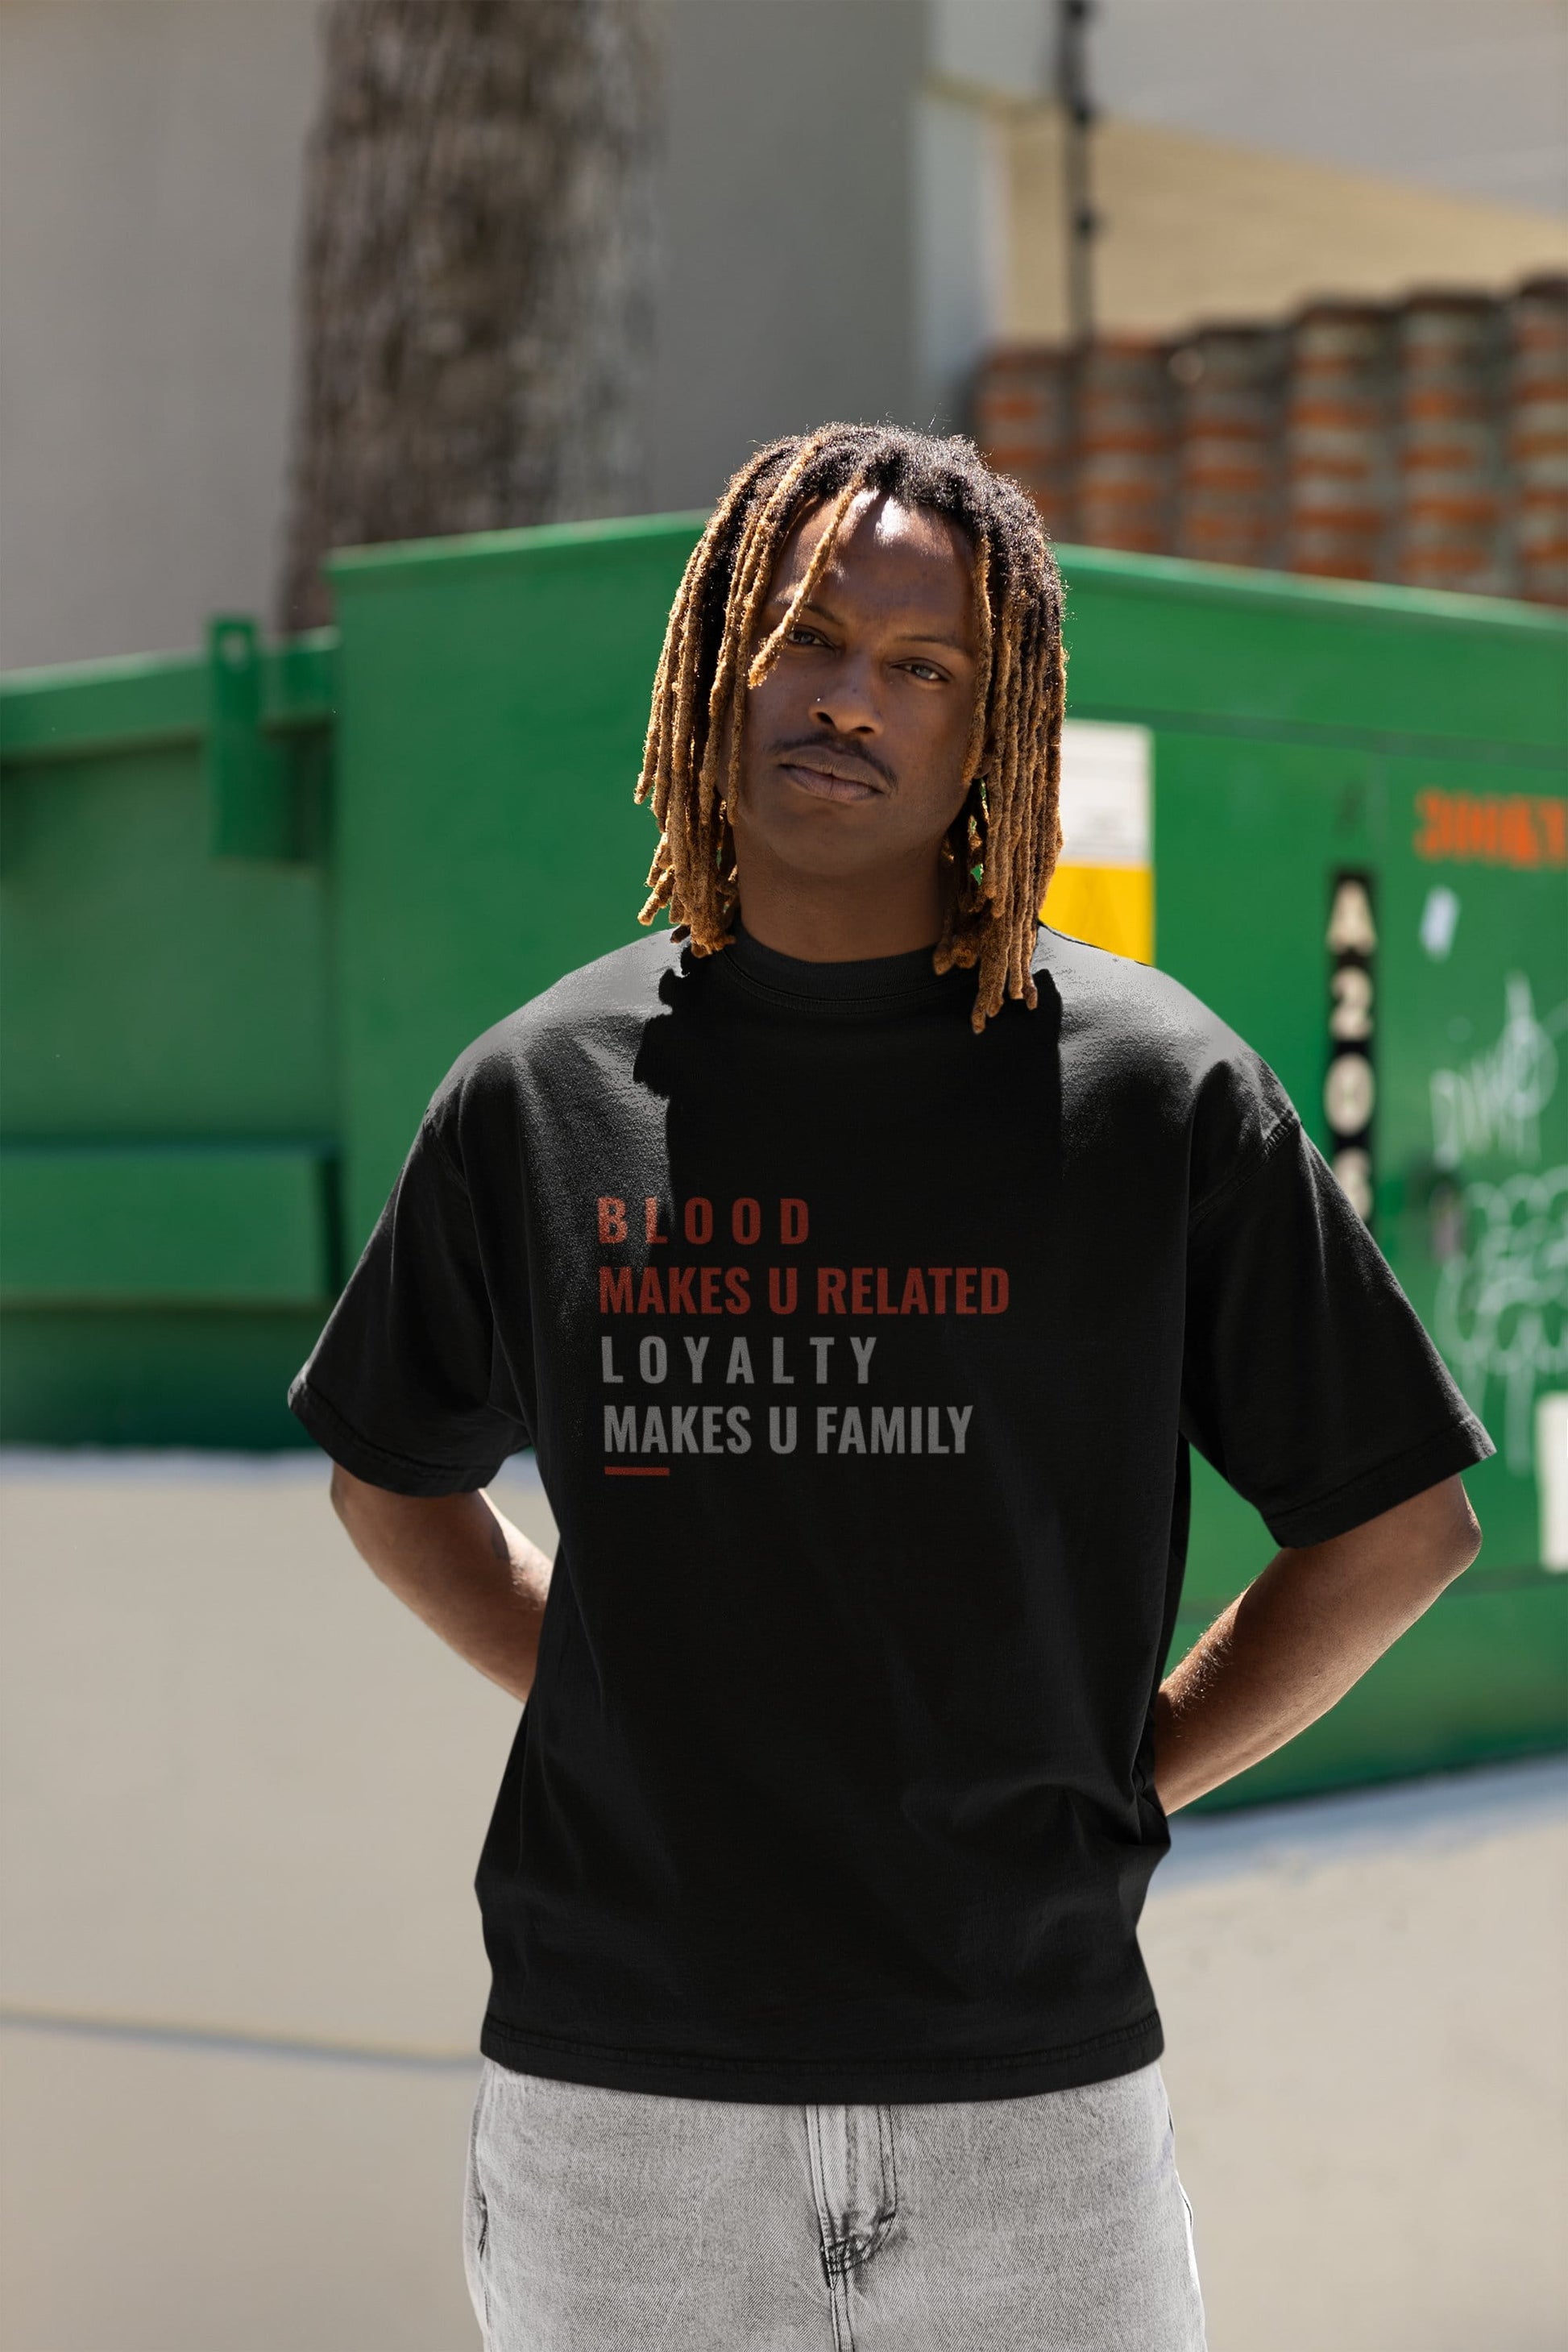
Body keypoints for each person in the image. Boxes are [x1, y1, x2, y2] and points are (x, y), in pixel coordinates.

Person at [288, 422, 1492, 2351]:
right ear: (715, 664)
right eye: (808, 635)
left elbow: (1399, 1518)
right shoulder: (541, 1091)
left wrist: (1140, 1758)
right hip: (625, 2105)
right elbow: (389, 1479)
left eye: (922, 667)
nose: (852, 697)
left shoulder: (1152, 1090)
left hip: (1029, 2098)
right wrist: (605, 1679)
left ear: (987, 730)